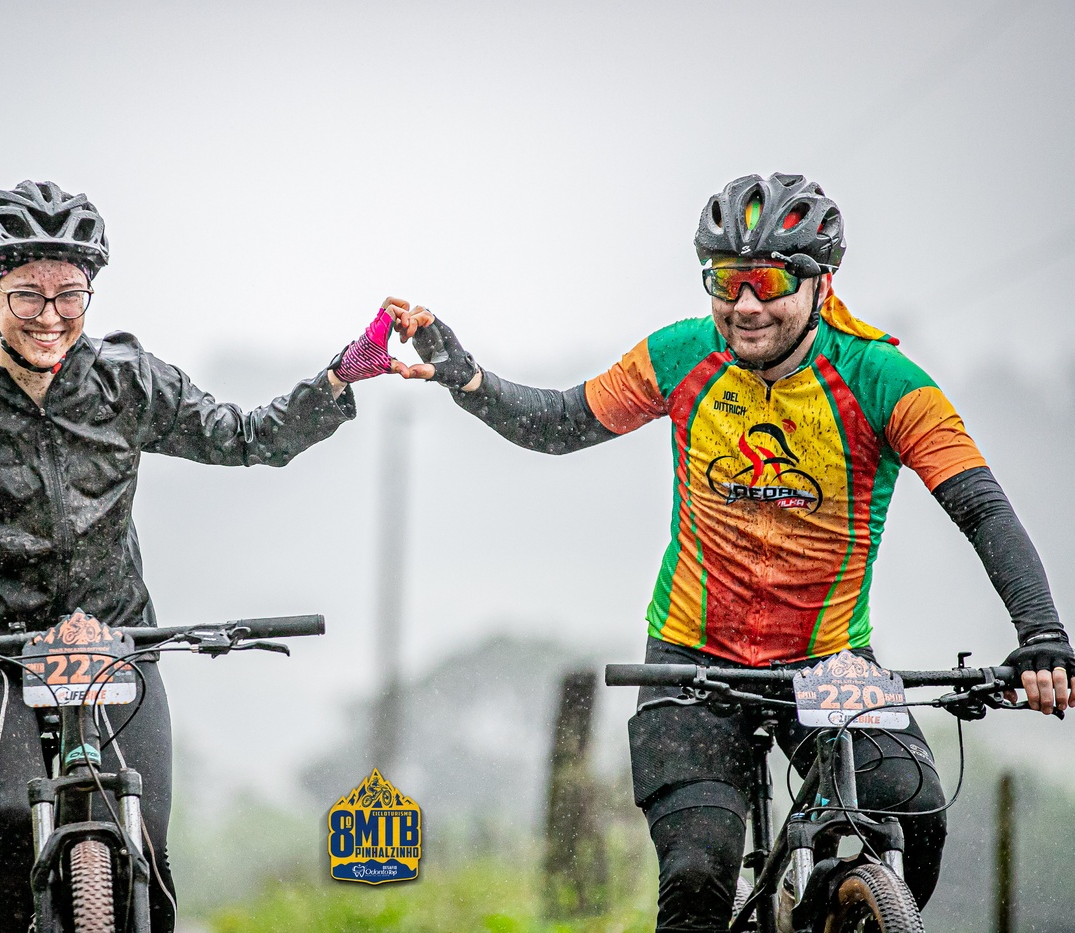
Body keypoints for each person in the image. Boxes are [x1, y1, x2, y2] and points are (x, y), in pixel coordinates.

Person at [392, 172, 1071, 932]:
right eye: (726, 281)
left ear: (821, 283)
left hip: (830, 662)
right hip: (693, 661)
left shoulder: (883, 379)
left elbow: (981, 506)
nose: (745, 305)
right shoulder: (683, 354)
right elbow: (560, 422)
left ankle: (833, 904)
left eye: (770, 282)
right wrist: (468, 378)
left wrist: (1041, 634)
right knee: (696, 877)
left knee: (914, 819)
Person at [0, 180, 416, 933]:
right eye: (27, 295)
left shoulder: (125, 379)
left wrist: (343, 372)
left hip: (112, 640)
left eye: (69, 294)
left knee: (144, 843)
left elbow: (247, 436)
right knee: (12, 817)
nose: (51, 316)